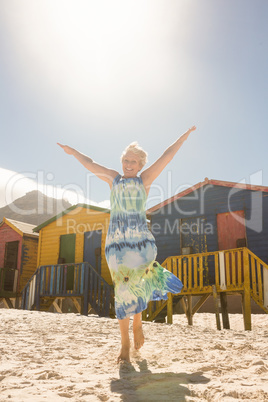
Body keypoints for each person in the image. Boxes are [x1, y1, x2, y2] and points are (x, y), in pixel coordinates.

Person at [57, 125, 196, 363]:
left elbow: (167, 156)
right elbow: (90, 164)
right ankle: (124, 344)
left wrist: (183, 138)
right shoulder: (114, 178)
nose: (129, 164)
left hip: (140, 241)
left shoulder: (145, 180)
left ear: (141, 165)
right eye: (126, 160)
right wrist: (74, 152)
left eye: (133, 161)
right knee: (122, 289)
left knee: (137, 282)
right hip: (116, 243)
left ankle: (138, 323)